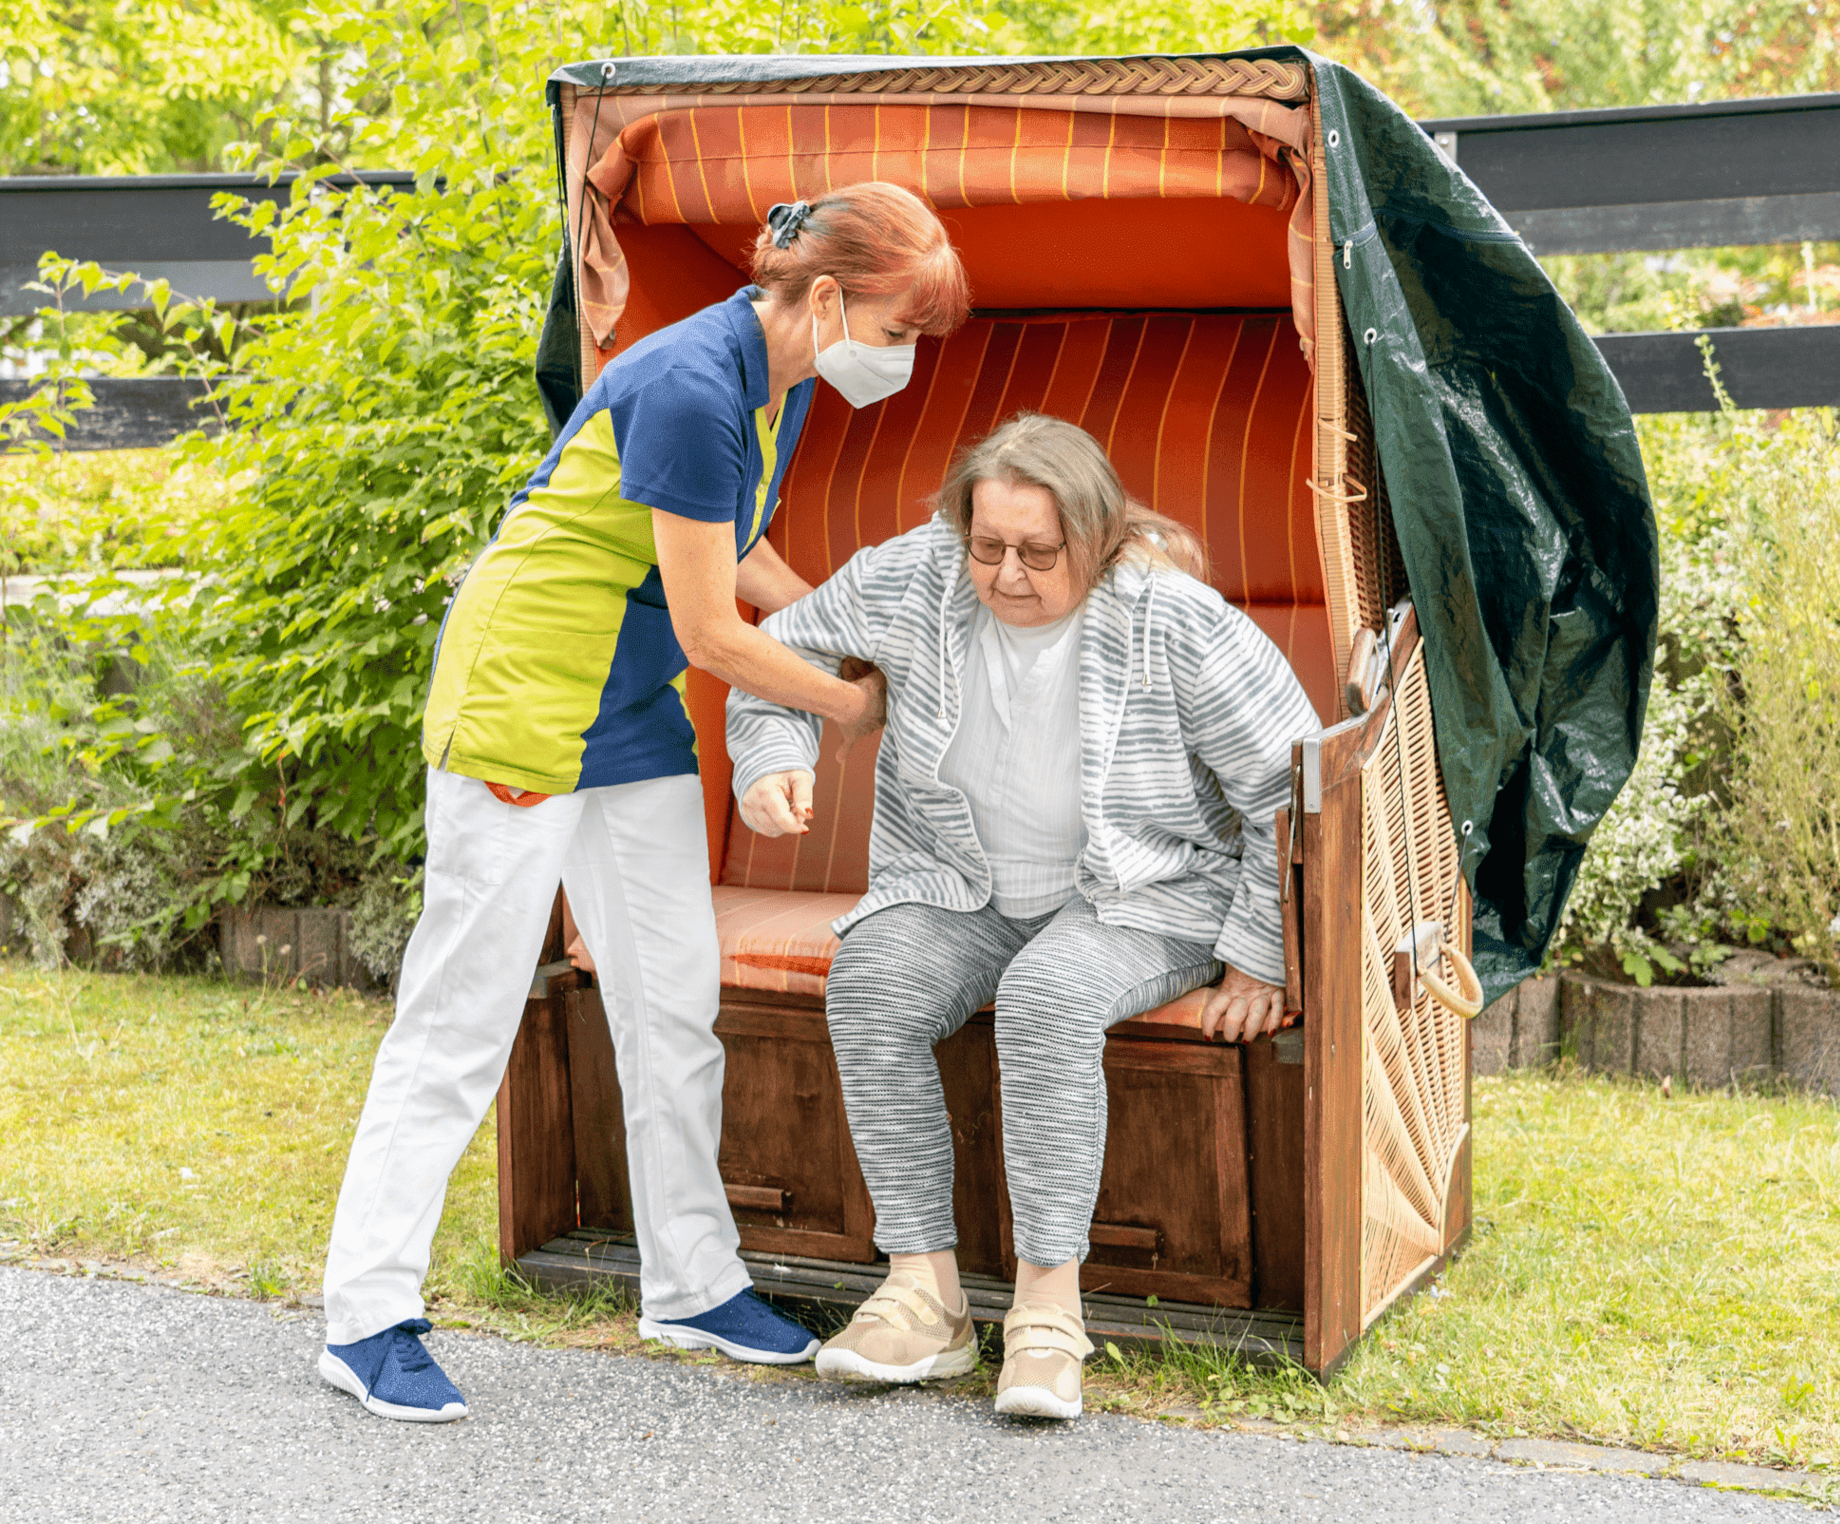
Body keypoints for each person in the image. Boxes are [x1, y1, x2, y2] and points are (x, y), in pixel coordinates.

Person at [316, 183, 968, 1422]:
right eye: (898, 329)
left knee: (674, 1006)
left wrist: (853, 624)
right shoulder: (686, 384)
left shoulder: (784, 379)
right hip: (524, 693)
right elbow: (718, 633)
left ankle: (689, 1282)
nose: (904, 357)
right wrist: (856, 702)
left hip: (626, 709)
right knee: (459, 1021)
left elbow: (740, 557)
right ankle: (365, 1317)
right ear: (825, 298)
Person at [725, 413, 1322, 1421]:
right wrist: (771, 754)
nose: (1005, 573)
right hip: (959, 885)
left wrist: (1263, 956)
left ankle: (1049, 1314)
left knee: (1048, 994)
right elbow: (778, 656)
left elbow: (1289, 778)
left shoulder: (1170, 616)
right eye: (986, 544)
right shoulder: (915, 575)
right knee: (870, 982)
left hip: (1140, 895)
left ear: (1096, 536)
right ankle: (926, 1296)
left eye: (1038, 552)